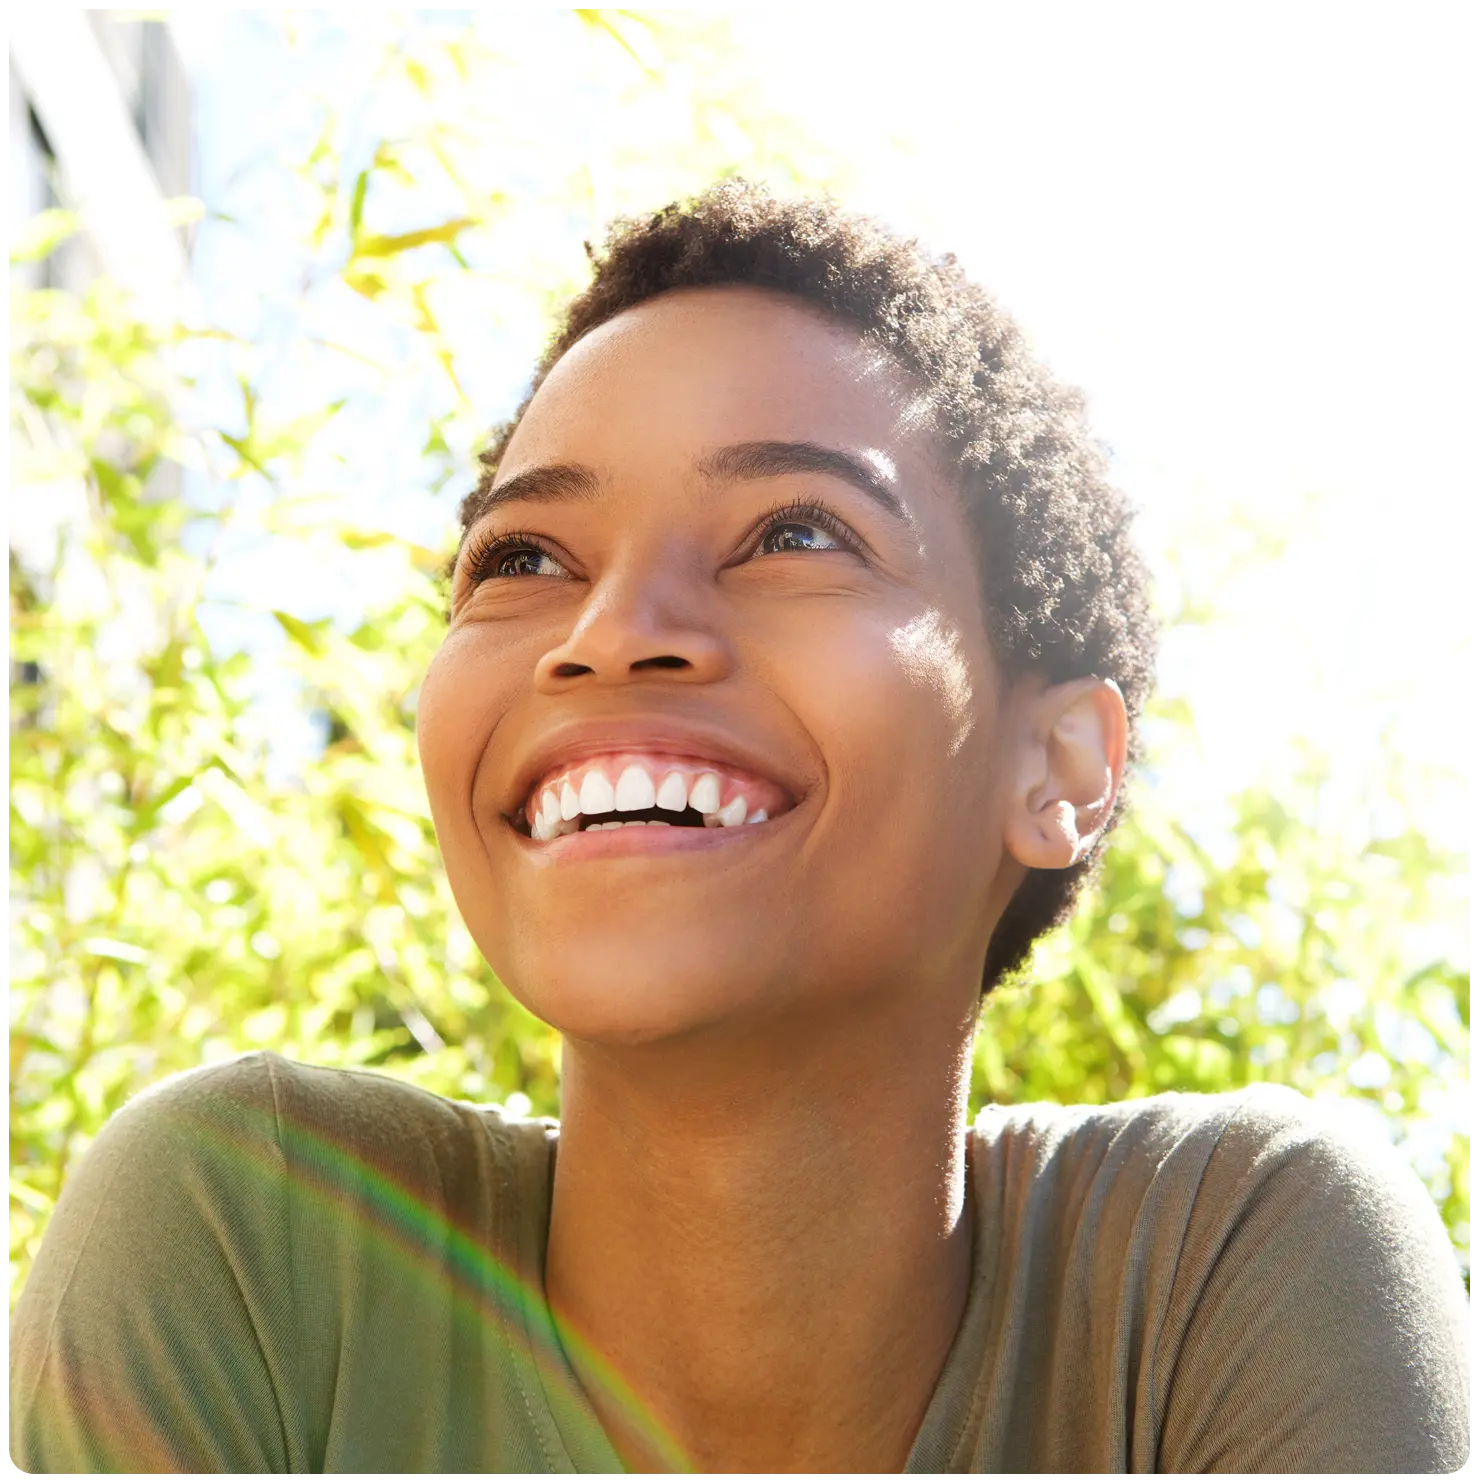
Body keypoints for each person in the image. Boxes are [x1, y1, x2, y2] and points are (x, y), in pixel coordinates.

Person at [9, 178, 1471, 1479]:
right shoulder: (252, 1234)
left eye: (794, 532)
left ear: (1059, 764)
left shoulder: (1224, 1270)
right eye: (522, 556)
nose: (606, 632)